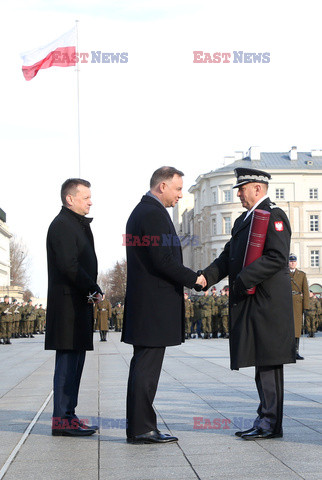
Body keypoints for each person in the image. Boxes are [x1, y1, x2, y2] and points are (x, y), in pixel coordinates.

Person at [201, 167, 295, 440]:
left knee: (268, 363)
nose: (239, 194)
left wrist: (242, 279)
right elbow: (227, 257)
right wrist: (206, 277)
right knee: (260, 361)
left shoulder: (273, 215)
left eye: (242, 189)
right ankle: (264, 418)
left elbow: (277, 256)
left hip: (267, 304)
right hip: (252, 302)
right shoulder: (244, 220)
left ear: (257, 188)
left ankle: (269, 422)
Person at [122, 166, 206, 444]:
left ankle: (140, 426)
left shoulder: (146, 211)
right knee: (146, 370)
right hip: (153, 306)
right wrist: (195, 279)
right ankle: (142, 428)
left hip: (149, 305)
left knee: (143, 368)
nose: (181, 195)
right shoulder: (152, 213)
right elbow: (164, 261)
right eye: (178, 189)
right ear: (162, 187)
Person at [45, 178, 103, 437]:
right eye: (85, 197)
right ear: (70, 199)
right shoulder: (63, 225)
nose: (91, 201)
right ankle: (62, 420)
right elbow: (69, 266)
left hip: (76, 305)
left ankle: (69, 415)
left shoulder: (72, 224)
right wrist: (92, 287)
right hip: (68, 307)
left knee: (75, 363)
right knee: (68, 364)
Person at [289, 254, 309, 360]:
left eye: (294, 261)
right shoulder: (284, 273)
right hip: (286, 303)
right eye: (290, 261)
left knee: (297, 328)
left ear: (296, 263)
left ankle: (296, 351)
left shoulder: (302, 274)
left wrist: (306, 306)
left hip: (297, 304)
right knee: (287, 328)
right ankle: (287, 351)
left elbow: (305, 290)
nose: (292, 263)